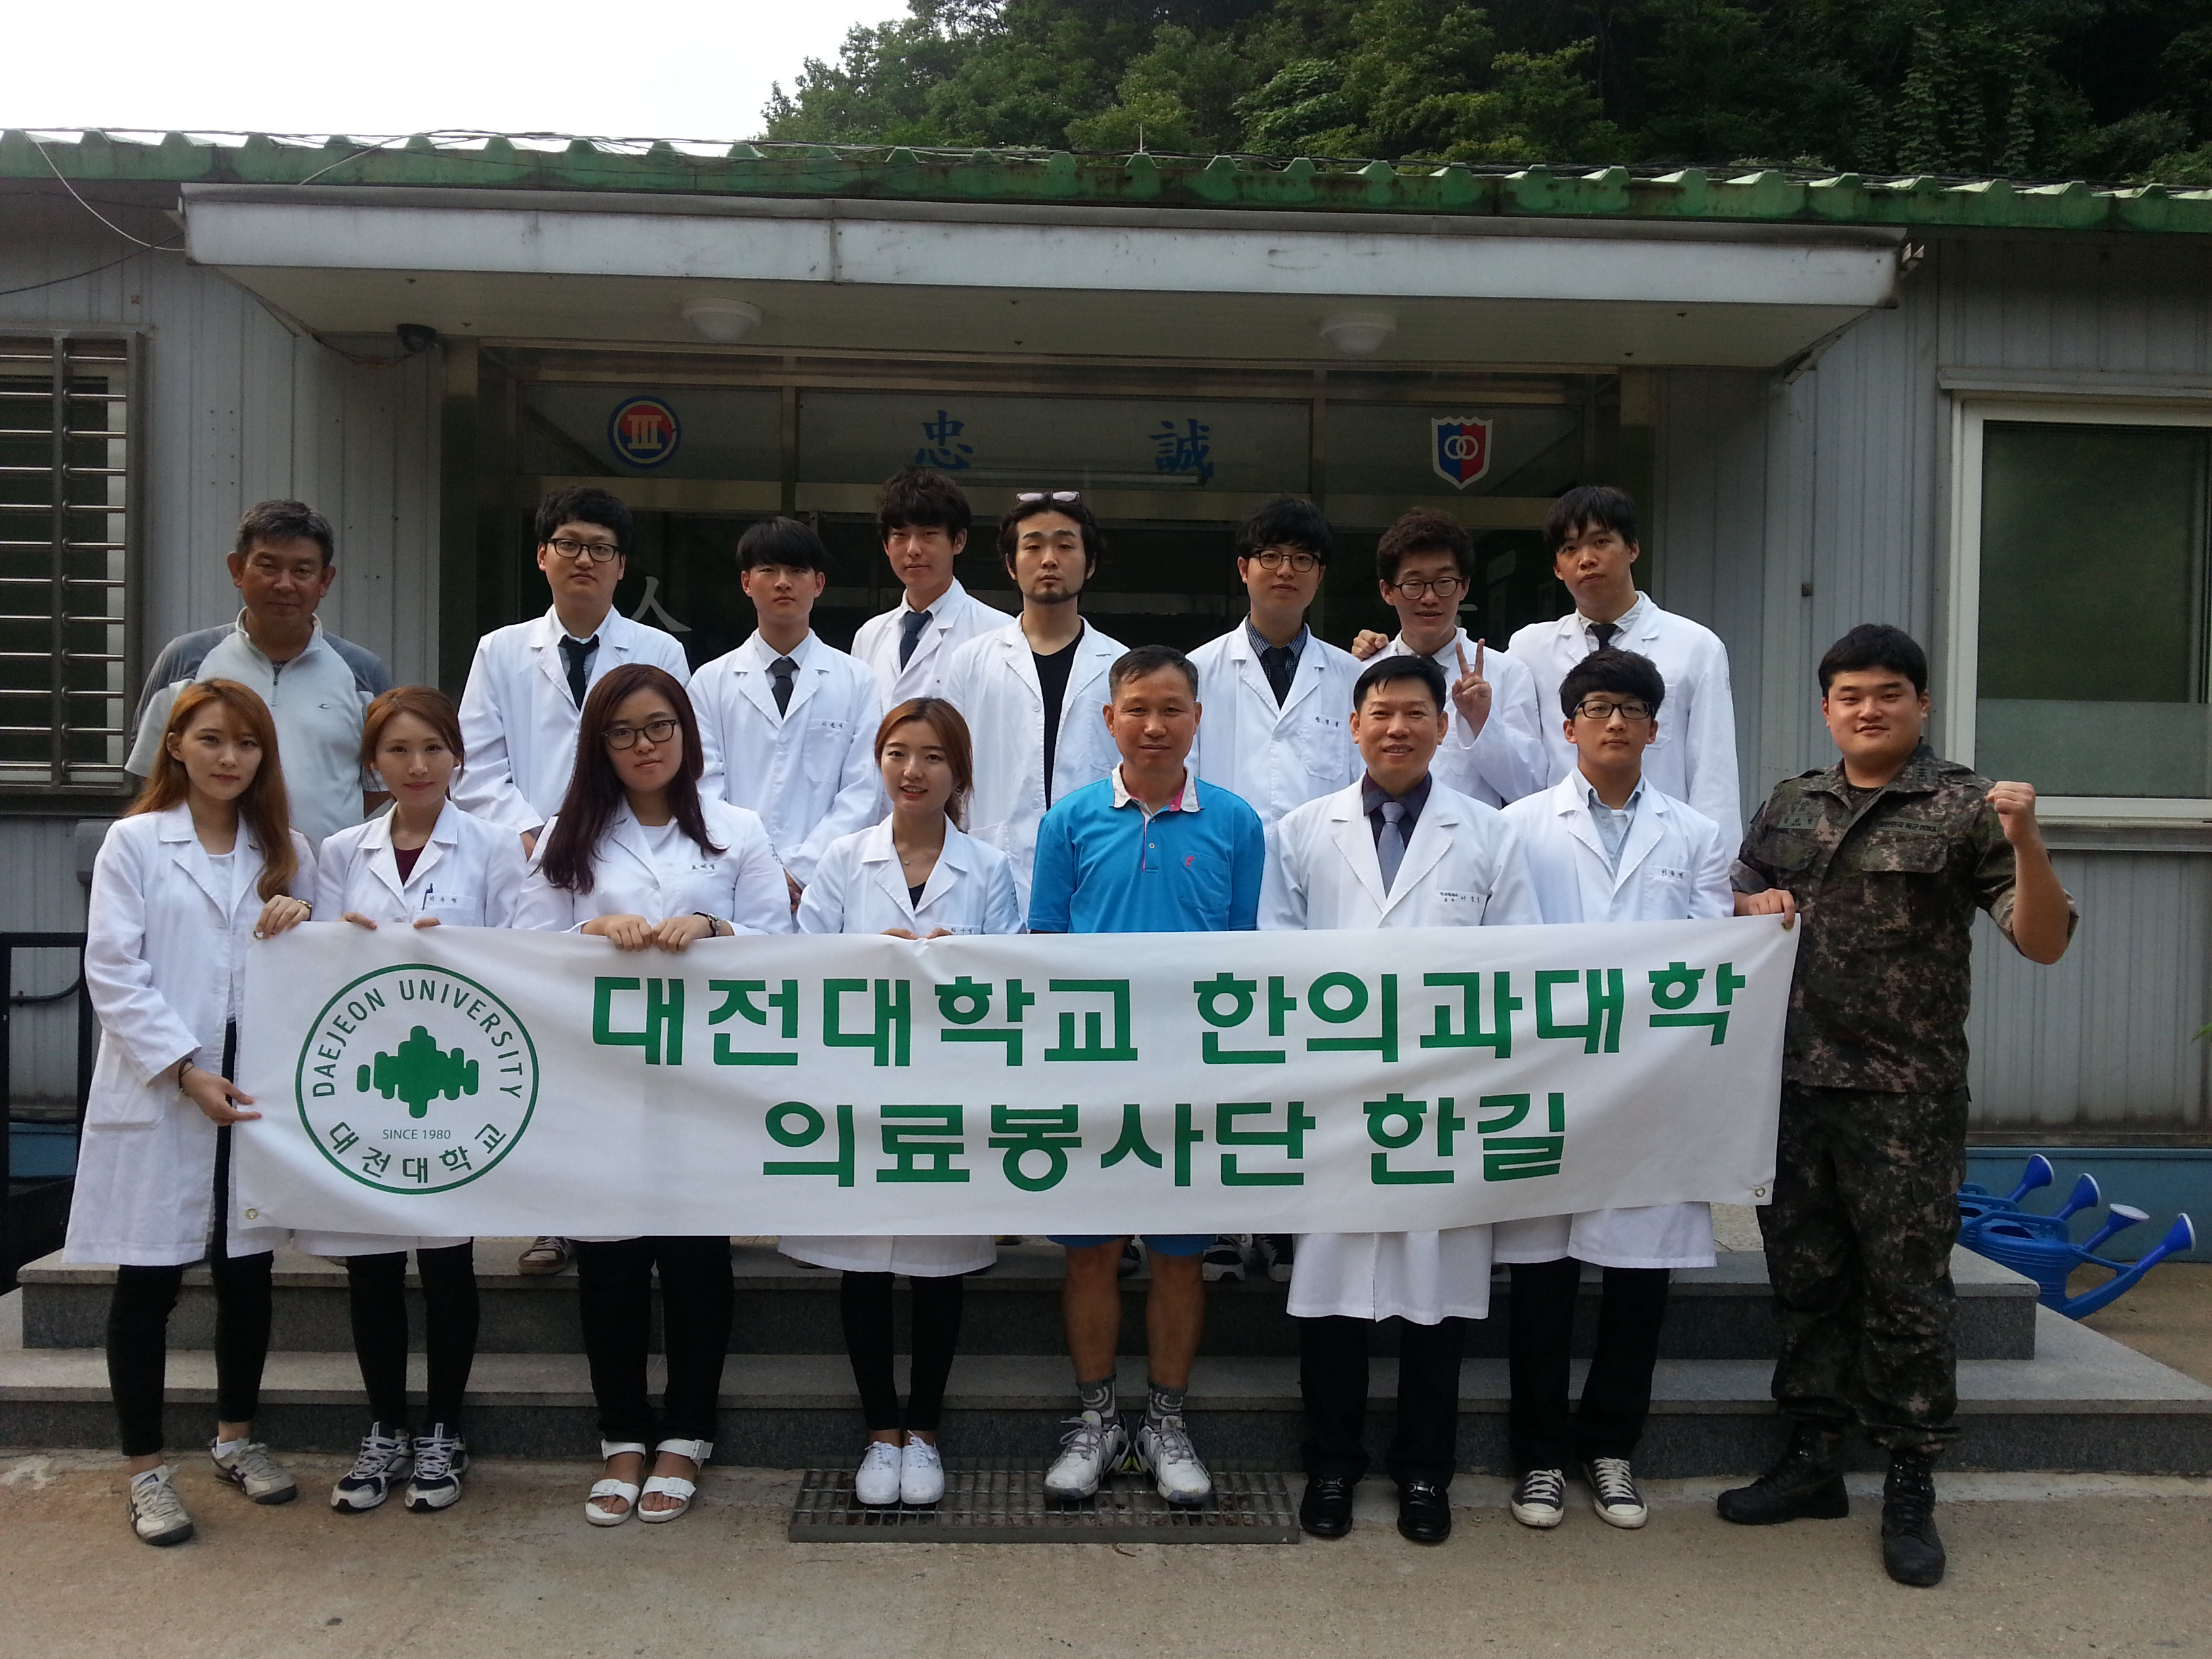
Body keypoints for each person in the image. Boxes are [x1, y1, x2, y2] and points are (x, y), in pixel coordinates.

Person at [1719, 624, 2076, 1588]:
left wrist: (2027, 841)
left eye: (1887, 693)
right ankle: (1812, 1456)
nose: (1868, 710)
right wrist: (1746, 905)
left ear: (1922, 703)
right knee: (1807, 1277)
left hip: (1904, 1096)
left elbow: (2044, 941)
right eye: (1850, 695)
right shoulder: (1790, 803)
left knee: (1908, 1291)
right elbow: (1733, 899)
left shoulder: (1967, 808)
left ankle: (1911, 1477)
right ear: (1827, 708)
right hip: (1792, 1088)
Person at [1261, 653, 1540, 1547]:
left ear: (1442, 726)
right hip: (1337, 1100)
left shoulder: (1490, 834)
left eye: (1416, 713)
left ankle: (1425, 1473)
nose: (1397, 728)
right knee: (1331, 1294)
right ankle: (1332, 1467)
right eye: (1380, 713)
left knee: (1438, 1296)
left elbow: (1519, 964)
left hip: (1444, 1100)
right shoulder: (1302, 832)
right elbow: (1276, 959)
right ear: (1354, 726)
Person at [513, 663, 791, 1527]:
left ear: (686, 733)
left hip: (706, 1080)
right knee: (611, 1263)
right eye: (624, 732)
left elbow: (785, 945)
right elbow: (519, 948)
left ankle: (688, 1434)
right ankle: (622, 1435)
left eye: (660, 726)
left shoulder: (737, 830)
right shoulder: (568, 837)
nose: (645, 746)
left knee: (697, 1260)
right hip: (602, 1079)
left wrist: (715, 928)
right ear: (599, 744)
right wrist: (589, 929)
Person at [67, 679, 317, 1546]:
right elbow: (113, 969)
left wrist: (304, 915)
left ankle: (236, 1439)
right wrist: (185, 1070)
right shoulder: (135, 843)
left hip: (255, 1093)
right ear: (175, 745)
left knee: (247, 1276)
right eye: (211, 739)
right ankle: (146, 1471)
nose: (229, 757)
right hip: (167, 1088)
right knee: (148, 1283)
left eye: (246, 744)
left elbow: (320, 963)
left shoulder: (287, 850)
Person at [1493, 649, 1732, 1534]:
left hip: (1648, 1087)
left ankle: (1612, 1448)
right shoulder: (1517, 826)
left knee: (1639, 1280)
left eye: (1633, 709)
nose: (1616, 722)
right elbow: (1505, 953)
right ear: (1569, 726)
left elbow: (1710, 955)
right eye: (1598, 707)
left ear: (1656, 728)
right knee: (1543, 1278)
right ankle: (1538, 1456)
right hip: (1548, 1080)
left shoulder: (1696, 835)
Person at [1026, 644, 1265, 1507]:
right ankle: (1096, 1422)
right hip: (1092, 1073)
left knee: (1177, 1258)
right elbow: (1044, 948)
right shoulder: (1068, 821)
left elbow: (1246, 958)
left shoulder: (1236, 823)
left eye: (1172, 709)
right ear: (1109, 719)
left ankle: (1165, 1423)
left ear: (1198, 719)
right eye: (1137, 709)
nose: (1154, 725)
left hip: (1191, 1076)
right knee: (1091, 1254)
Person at [785, 699, 1019, 1507]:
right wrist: (864, 958)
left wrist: (966, 960)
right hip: (862, 1088)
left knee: (937, 1268)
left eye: (932, 757)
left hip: (949, 1092)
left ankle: (925, 1431)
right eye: (897, 752)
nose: (913, 771)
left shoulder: (988, 866)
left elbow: (1013, 976)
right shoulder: (844, 859)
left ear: (959, 773)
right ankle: (879, 1430)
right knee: (863, 1270)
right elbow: (802, 966)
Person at [302, 687, 530, 1515]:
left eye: (433, 748)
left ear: (458, 758)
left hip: (458, 1080)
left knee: (445, 1261)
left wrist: (463, 951)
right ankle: (385, 1429)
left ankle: (443, 1429)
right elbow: (316, 961)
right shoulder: (340, 852)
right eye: (398, 750)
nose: (418, 765)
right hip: (369, 1079)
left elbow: (527, 953)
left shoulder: (495, 847)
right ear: (373, 764)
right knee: (371, 1264)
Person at [452, 485, 688, 1277]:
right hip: (538, 863)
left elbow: (677, 756)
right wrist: (541, 837)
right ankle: (555, 1217)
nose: (585, 559)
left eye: (602, 549)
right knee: (555, 1044)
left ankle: (659, 1205)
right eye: (570, 544)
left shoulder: (659, 653)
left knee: (638, 1055)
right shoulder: (500, 651)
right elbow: (478, 765)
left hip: (631, 856)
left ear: (622, 566)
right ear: (543, 555)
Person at [1187, 497, 1363, 1288]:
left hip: (1323, 896)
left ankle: (1293, 1220)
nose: (1285, 571)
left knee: (1307, 1063)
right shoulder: (1196, 672)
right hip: (1220, 894)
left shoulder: (1353, 678)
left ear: (1320, 575)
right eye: (1271, 556)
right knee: (1224, 1061)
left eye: (1302, 559)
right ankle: (1224, 1221)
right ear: (1244, 569)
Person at [125, 500, 390, 846]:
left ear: (325, 580)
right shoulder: (187, 660)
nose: (284, 584)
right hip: (209, 869)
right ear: (238, 569)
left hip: (325, 873)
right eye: (268, 567)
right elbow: (153, 770)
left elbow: (381, 782)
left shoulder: (363, 673)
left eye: (302, 571)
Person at [1504, 486, 1742, 835]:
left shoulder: (1695, 646)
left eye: (1601, 542)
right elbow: (1519, 766)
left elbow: (1714, 769)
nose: (1586, 559)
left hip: (1662, 840)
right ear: (1557, 568)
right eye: (1570, 549)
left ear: (1632, 548)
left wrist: (1717, 864)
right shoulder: (1529, 649)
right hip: (1558, 841)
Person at [941, 492, 1127, 909]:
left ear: (1090, 564)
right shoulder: (970, 662)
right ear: (1011, 564)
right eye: (1033, 546)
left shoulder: (1121, 666)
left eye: (1065, 546)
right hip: (991, 868)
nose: (1049, 560)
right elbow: (950, 772)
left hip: (1102, 869)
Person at [689, 517, 884, 907]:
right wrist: (755, 869)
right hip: (733, 878)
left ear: (819, 583)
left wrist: (799, 871)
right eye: (768, 570)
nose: (783, 583)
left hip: (826, 885)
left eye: (797, 571)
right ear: (746, 582)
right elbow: (703, 786)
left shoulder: (859, 680)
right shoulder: (710, 682)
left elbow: (863, 790)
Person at [1349, 510, 1549, 808]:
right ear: (1387, 591)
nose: (1430, 598)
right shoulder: (1362, 672)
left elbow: (1531, 789)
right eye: (1414, 584)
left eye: (1444, 582)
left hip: (1474, 836)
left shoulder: (1507, 673)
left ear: (1464, 586)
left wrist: (1482, 722)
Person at [849, 469, 1006, 706]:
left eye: (929, 534)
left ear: (959, 541)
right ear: (886, 546)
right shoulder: (869, 636)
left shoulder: (998, 633)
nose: (913, 549)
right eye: (900, 535)